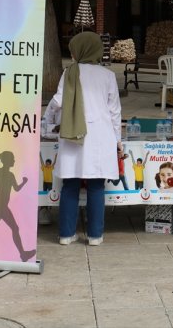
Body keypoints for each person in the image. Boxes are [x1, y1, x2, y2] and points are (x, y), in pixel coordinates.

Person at [45, 31, 122, 246]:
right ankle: (95, 235)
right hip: (100, 136)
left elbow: (56, 102)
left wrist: (48, 123)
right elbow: (114, 111)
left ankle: (66, 234)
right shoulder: (107, 76)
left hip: (72, 135)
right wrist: (118, 139)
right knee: (96, 185)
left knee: (70, 184)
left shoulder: (69, 73)